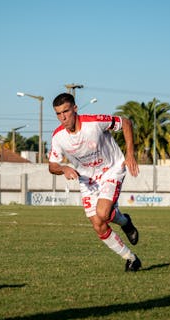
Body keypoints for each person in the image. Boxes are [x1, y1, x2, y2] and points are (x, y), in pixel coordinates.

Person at [48, 92, 142, 272]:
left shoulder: (94, 123)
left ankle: (124, 222)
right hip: (87, 180)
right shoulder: (58, 137)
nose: (63, 117)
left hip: (111, 170)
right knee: (98, 225)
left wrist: (130, 154)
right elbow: (52, 165)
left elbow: (126, 123)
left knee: (103, 213)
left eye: (66, 111)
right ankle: (131, 258)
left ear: (75, 109)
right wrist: (63, 168)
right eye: (58, 114)